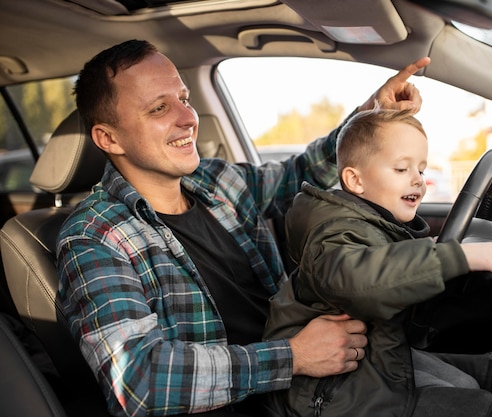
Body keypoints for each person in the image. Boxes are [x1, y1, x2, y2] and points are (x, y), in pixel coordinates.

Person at [55, 39, 430, 417]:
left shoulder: (215, 180)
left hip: (318, 383)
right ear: (109, 138)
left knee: (476, 384)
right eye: (159, 108)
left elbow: (296, 174)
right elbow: (139, 381)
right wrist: (294, 356)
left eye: (184, 99)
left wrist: (370, 115)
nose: (188, 118)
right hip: (264, 400)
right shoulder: (93, 238)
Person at [263, 108, 492, 417]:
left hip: (374, 355)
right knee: (485, 409)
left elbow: (393, 270)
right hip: (327, 393)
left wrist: (439, 256)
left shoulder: (376, 224)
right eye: (401, 169)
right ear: (355, 181)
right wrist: (454, 257)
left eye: (421, 170)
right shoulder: (333, 232)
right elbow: (361, 279)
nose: (418, 181)